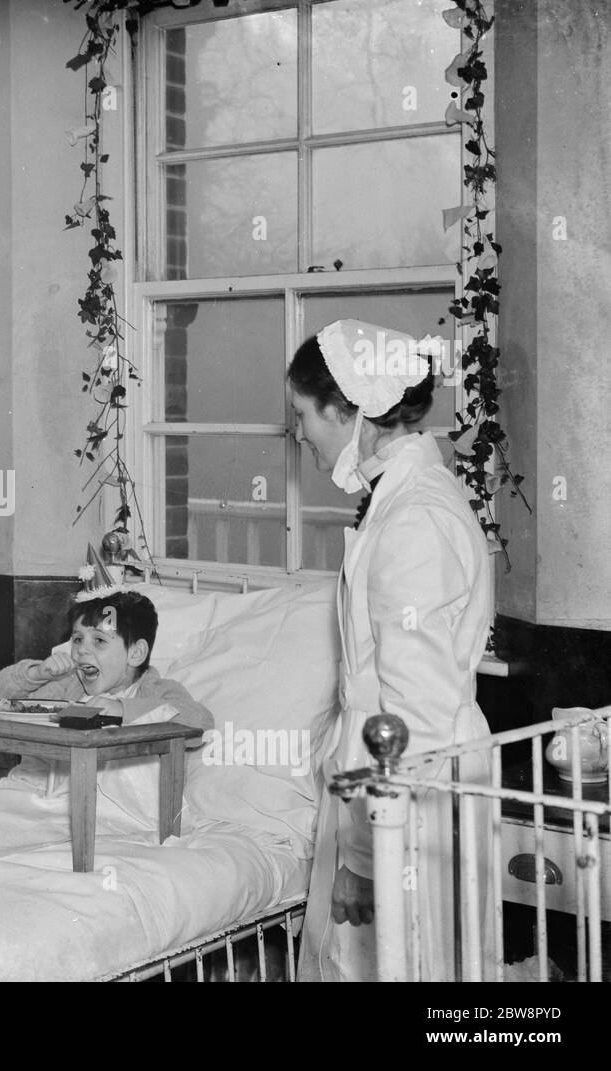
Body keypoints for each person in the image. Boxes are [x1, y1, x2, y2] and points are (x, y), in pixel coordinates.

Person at [289, 319, 493, 981]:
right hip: (382, 790)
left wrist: (369, 856)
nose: (299, 433)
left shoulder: (414, 520)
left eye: (302, 414)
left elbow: (417, 718)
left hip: (406, 801)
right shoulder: (403, 499)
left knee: (405, 965)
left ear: (350, 410)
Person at [0, 588, 212, 732]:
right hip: (59, 790)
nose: (81, 651)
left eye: (99, 641)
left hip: (122, 799)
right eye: (77, 639)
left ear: (135, 653)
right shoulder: (69, 686)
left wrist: (121, 709)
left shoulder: (157, 691)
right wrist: (37, 673)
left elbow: (200, 720)